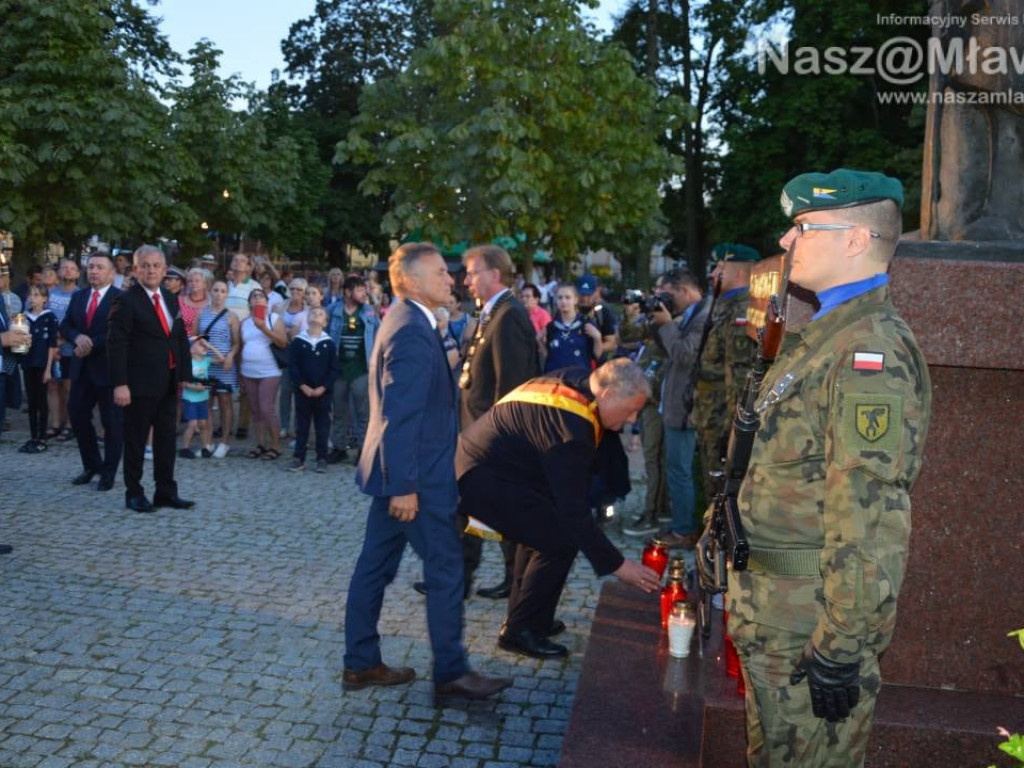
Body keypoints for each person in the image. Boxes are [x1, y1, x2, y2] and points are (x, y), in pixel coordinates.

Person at [728, 169, 932, 767]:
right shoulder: (820, 335)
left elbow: (868, 512)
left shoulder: (870, 352)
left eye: (804, 228)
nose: (787, 243)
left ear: (854, 241)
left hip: (807, 626)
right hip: (774, 615)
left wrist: (842, 646)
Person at [344, 242, 513, 703]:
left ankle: (360, 663)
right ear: (413, 281)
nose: (452, 279)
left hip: (402, 473)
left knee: (374, 567)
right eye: (440, 273)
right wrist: (404, 488)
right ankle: (452, 674)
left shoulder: (413, 321)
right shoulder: (410, 330)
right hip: (414, 479)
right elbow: (402, 415)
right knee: (445, 569)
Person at [457, 359, 662, 658]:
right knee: (560, 538)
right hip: (479, 478)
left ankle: (528, 618)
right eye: (630, 410)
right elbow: (574, 513)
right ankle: (519, 631)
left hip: (489, 466)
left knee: (542, 531)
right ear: (607, 394)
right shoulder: (572, 430)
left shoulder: (579, 380)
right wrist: (619, 566)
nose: (632, 420)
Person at [455, 244, 539, 600]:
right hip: (475, 431)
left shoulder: (509, 316)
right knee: (470, 507)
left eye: (473, 273)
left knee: (498, 510)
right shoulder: (493, 312)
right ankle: (460, 577)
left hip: (490, 437)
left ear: (494, 274)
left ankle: (507, 579)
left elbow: (512, 387)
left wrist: (497, 441)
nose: (466, 280)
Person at [108, 245, 195, 513]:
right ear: (135, 270)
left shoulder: (170, 298)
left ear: (164, 269)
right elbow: (117, 343)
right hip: (137, 384)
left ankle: (166, 491)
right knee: (135, 441)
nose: (151, 270)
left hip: (168, 382)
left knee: (166, 439)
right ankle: (134, 493)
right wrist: (120, 383)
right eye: (145, 265)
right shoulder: (126, 300)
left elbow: (178, 337)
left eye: (156, 265)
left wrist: (185, 375)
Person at [691, 243, 760, 502]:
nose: (713, 273)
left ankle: (718, 541)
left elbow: (738, 377)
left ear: (740, 273)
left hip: (722, 420)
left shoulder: (741, 311)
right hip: (711, 416)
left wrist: (732, 432)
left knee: (721, 491)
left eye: (720, 267)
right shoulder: (725, 306)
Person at [648, 267, 709, 551]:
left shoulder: (703, 315)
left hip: (686, 409)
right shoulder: (693, 313)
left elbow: (685, 355)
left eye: (671, 295)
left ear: (685, 290)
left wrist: (667, 324)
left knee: (680, 470)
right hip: (677, 404)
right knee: (677, 469)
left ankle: (684, 530)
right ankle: (681, 524)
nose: (668, 301)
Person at [62, 252, 123, 491]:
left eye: (99, 267)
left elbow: (116, 331)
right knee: (77, 415)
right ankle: (92, 465)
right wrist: (77, 337)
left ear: (111, 273)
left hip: (108, 370)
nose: (93, 271)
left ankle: (109, 472)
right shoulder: (79, 296)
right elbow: (66, 324)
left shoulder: (120, 298)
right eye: (91, 267)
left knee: (112, 422)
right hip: (81, 369)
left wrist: (89, 344)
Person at [619, 284, 670, 537]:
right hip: (651, 401)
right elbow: (627, 336)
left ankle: (653, 512)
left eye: (661, 293)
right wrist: (630, 312)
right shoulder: (653, 322)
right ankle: (656, 508)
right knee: (653, 457)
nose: (654, 298)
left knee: (655, 457)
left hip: (661, 399)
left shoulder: (675, 322)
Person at [326, 274, 378, 464]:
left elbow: (378, 334)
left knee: (363, 412)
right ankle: (339, 447)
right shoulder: (333, 310)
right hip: (339, 369)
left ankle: (363, 449)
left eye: (365, 289)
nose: (364, 293)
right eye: (359, 289)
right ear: (347, 292)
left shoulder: (369, 312)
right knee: (339, 410)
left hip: (361, 369)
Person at [239, 289, 288, 461]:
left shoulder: (274, 319)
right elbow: (240, 346)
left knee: (267, 408)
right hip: (248, 370)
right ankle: (260, 443)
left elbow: (282, 342)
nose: (257, 299)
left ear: (267, 302)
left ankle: (276, 444)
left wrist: (263, 328)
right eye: (254, 296)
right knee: (255, 410)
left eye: (261, 296)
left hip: (269, 370)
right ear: (250, 302)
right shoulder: (245, 322)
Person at [287, 307, 337, 473]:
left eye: (321, 314)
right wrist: (302, 385)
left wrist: (323, 387)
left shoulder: (328, 343)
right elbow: (293, 366)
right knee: (302, 426)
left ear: (325, 322)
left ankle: (322, 457)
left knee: (322, 426)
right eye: (314, 313)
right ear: (307, 318)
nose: (317, 315)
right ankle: (298, 457)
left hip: (323, 393)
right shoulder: (298, 342)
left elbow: (333, 369)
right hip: (303, 391)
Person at [198, 280, 240, 458]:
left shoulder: (231, 316)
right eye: (216, 290)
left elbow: (237, 343)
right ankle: (206, 442)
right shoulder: (201, 313)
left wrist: (230, 356)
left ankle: (224, 442)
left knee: (225, 402)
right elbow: (196, 338)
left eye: (223, 291)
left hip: (224, 365)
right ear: (210, 292)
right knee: (206, 403)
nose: (219, 294)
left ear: (226, 295)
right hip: (206, 364)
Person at [16, 284, 58, 453]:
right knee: (32, 401)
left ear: (44, 298)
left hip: (42, 364)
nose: (32, 298)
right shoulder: (24, 317)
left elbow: (52, 345)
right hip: (28, 362)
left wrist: (49, 369)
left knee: (41, 400)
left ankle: (42, 438)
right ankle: (33, 436)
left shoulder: (50, 317)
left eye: (36, 295)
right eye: (31, 295)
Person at [46, 258, 79, 442]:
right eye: (64, 267)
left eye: (71, 268)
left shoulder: (79, 295)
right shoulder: (50, 294)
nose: (67, 271)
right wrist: (53, 342)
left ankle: (69, 425)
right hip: (51, 348)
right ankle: (55, 424)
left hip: (70, 348)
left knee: (68, 387)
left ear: (77, 274)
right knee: (52, 386)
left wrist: (62, 339)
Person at [543, 283, 602, 372]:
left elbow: (597, 355)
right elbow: (548, 352)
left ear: (575, 300)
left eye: (567, 297)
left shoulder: (586, 324)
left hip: (580, 378)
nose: (563, 301)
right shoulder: (552, 326)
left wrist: (597, 337)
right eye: (560, 298)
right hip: (555, 377)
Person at [278, 278, 309, 440]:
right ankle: (284, 425)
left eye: (299, 290)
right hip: (284, 353)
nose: (296, 292)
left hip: (303, 355)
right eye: (293, 289)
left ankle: (298, 428)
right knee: (285, 392)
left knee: (300, 393)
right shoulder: (281, 306)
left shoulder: (309, 310)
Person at [179, 339, 220, 459]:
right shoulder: (187, 363)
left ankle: (205, 447)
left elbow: (222, 359)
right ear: (191, 350)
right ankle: (185, 448)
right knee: (192, 423)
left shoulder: (206, 360)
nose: (204, 346)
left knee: (203, 423)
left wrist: (210, 346)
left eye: (204, 345)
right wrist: (195, 387)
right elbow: (183, 383)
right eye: (200, 344)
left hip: (203, 398)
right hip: (190, 399)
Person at [575, 273, 616, 361]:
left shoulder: (602, 312)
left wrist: (593, 349)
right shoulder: (568, 311)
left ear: (596, 292)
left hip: (596, 364)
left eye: (589, 295)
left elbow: (611, 343)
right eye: (582, 295)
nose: (585, 299)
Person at [180, 267, 212, 339]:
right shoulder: (180, 301)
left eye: (197, 281)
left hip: (206, 343)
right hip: (184, 342)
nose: (193, 283)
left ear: (205, 284)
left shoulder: (211, 303)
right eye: (191, 281)